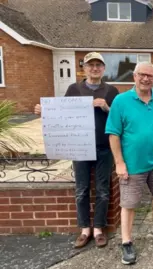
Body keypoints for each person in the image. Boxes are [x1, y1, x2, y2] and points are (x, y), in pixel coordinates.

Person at [34, 52, 119, 249]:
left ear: (103, 69)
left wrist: (107, 108)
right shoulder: (74, 89)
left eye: (98, 65)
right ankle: (84, 229)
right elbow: (62, 114)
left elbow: (119, 119)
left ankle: (98, 228)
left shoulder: (111, 91)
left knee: (103, 190)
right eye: (91, 65)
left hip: (104, 147)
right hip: (79, 147)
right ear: (85, 68)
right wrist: (44, 111)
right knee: (81, 190)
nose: (95, 68)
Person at [106, 62, 153, 265]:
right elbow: (113, 134)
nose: (146, 79)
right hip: (132, 164)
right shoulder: (121, 101)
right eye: (142, 75)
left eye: (150, 76)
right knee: (129, 204)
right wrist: (119, 162)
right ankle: (126, 241)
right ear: (135, 76)